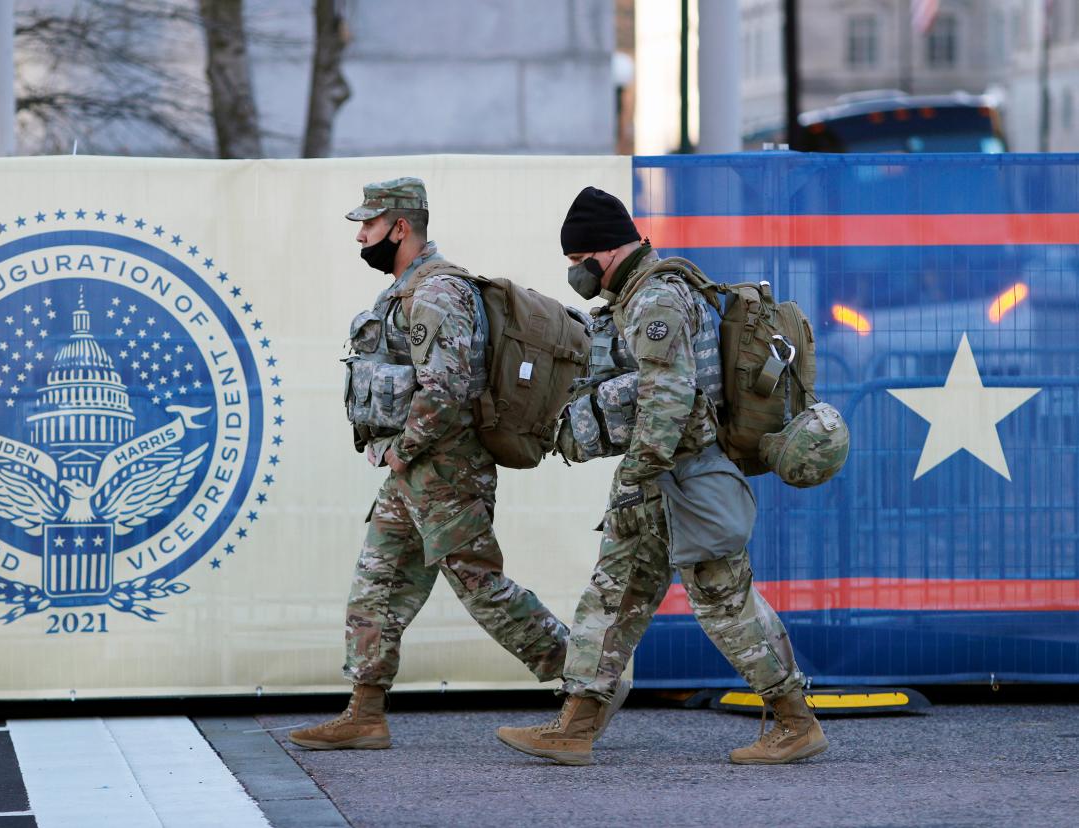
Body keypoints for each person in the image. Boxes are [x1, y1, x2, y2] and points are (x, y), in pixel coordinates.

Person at [496, 187, 828, 766]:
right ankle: (576, 724)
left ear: (601, 251)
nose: (575, 274)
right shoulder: (641, 294)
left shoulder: (656, 300)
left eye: (577, 263)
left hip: (683, 474)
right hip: (659, 477)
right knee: (615, 593)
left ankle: (795, 721)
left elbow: (669, 394)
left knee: (723, 598)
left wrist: (639, 467)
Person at [289, 177, 578, 750]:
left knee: (479, 584)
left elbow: (445, 389)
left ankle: (587, 680)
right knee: (377, 584)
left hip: (445, 469)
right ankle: (365, 713)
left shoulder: (437, 292)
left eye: (368, 225)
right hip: (414, 471)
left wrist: (401, 448)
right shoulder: (405, 289)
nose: (361, 237)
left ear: (400, 227)